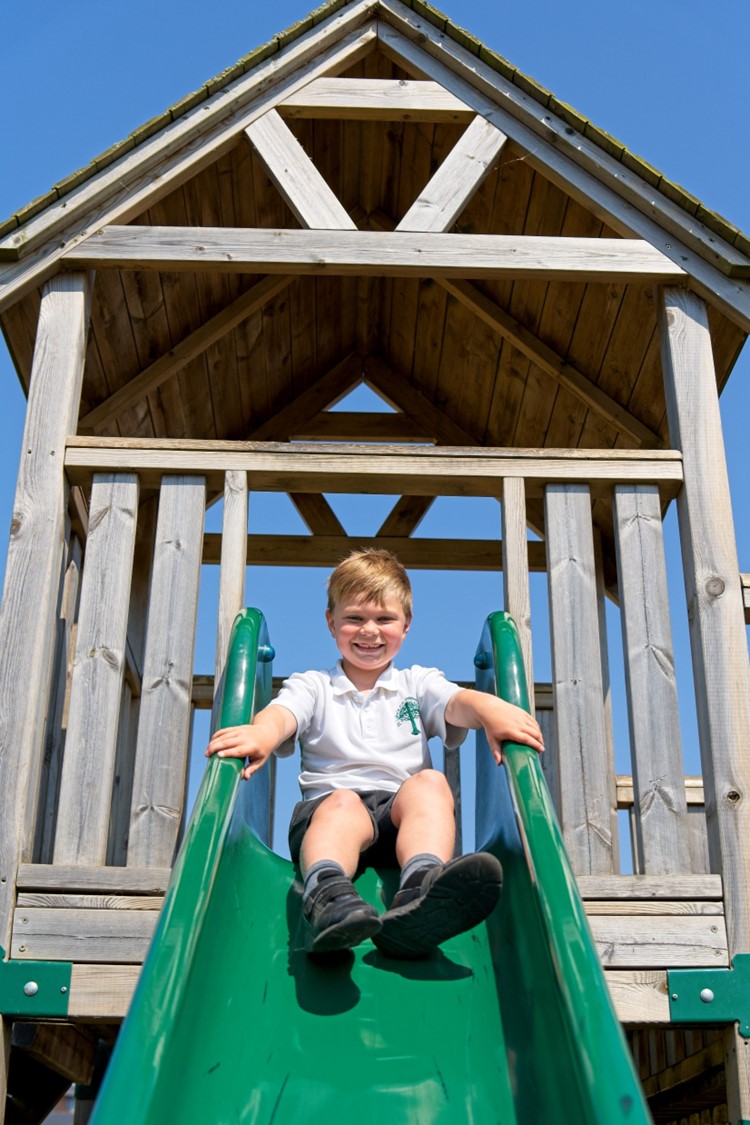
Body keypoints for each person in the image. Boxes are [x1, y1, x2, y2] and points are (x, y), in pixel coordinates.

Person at [205, 549, 544, 959]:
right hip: (329, 816)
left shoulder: (416, 683)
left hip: (398, 821)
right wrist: (261, 732)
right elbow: (284, 714)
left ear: (406, 625)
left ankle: (421, 891)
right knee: (344, 803)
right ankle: (328, 895)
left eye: (384, 619)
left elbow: (455, 703)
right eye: (354, 619)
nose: (370, 631)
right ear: (331, 623)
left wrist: (491, 709)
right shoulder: (314, 685)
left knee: (431, 784)